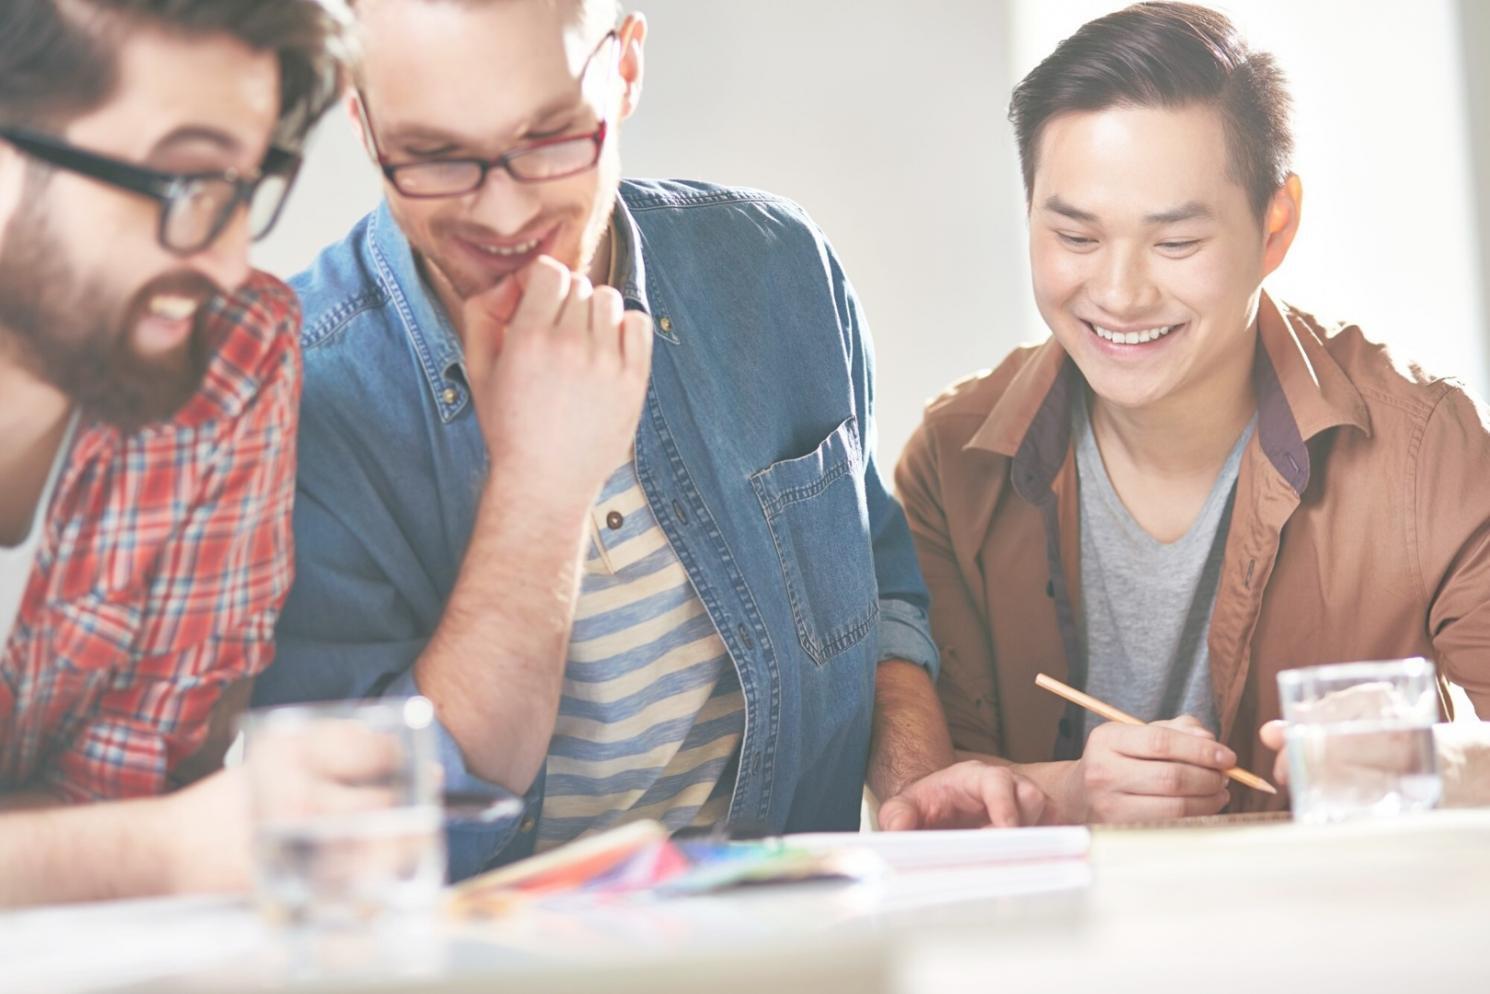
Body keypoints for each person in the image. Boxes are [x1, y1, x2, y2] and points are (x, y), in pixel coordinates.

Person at [254, 0, 1040, 879]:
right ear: (364, 125)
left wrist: (916, 782)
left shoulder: (779, 269)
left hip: (793, 947)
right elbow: (369, 841)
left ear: (624, 68)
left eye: (550, 138)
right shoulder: (297, 400)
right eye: (436, 158)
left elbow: (881, 595)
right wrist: (540, 486)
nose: (503, 212)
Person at [895, 1, 1490, 824]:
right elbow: (927, 787)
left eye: (1175, 244)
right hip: (1051, 950)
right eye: (1075, 237)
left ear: (1274, 225)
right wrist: (1073, 790)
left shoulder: (1428, 452)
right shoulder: (952, 462)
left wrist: (1409, 760)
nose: (1119, 294)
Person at [0, 0, 346, 902]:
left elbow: (123, 789)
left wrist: (126, 838)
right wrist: (158, 851)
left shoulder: (230, 354)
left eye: (242, 189)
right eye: (187, 185)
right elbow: (159, 834)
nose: (229, 263)